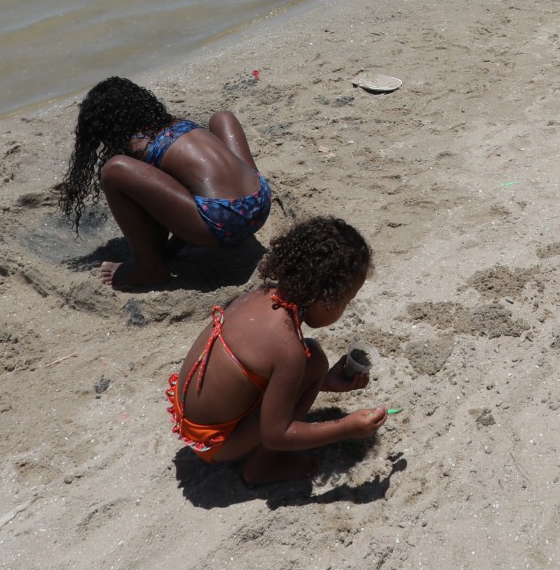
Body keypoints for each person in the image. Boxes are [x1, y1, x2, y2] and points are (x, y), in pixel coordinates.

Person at [164, 216, 385, 483]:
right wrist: (346, 427)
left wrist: (323, 383)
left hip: (189, 420)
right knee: (310, 359)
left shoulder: (262, 294)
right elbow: (276, 435)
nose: (344, 309)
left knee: (314, 361)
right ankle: (263, 466)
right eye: (345, 302)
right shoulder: (287, 346)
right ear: (325, 298)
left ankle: (260, 453)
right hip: (214, 443)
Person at [56, 76, 274, 290]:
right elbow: (178, 196)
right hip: (260, 202)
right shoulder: (177, 124)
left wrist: (156, 251)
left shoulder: (138, 146)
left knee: (113, 169)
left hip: (224, 223)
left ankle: (149, 268)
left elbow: (157, 212)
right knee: (222, 117)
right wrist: (174, 246)